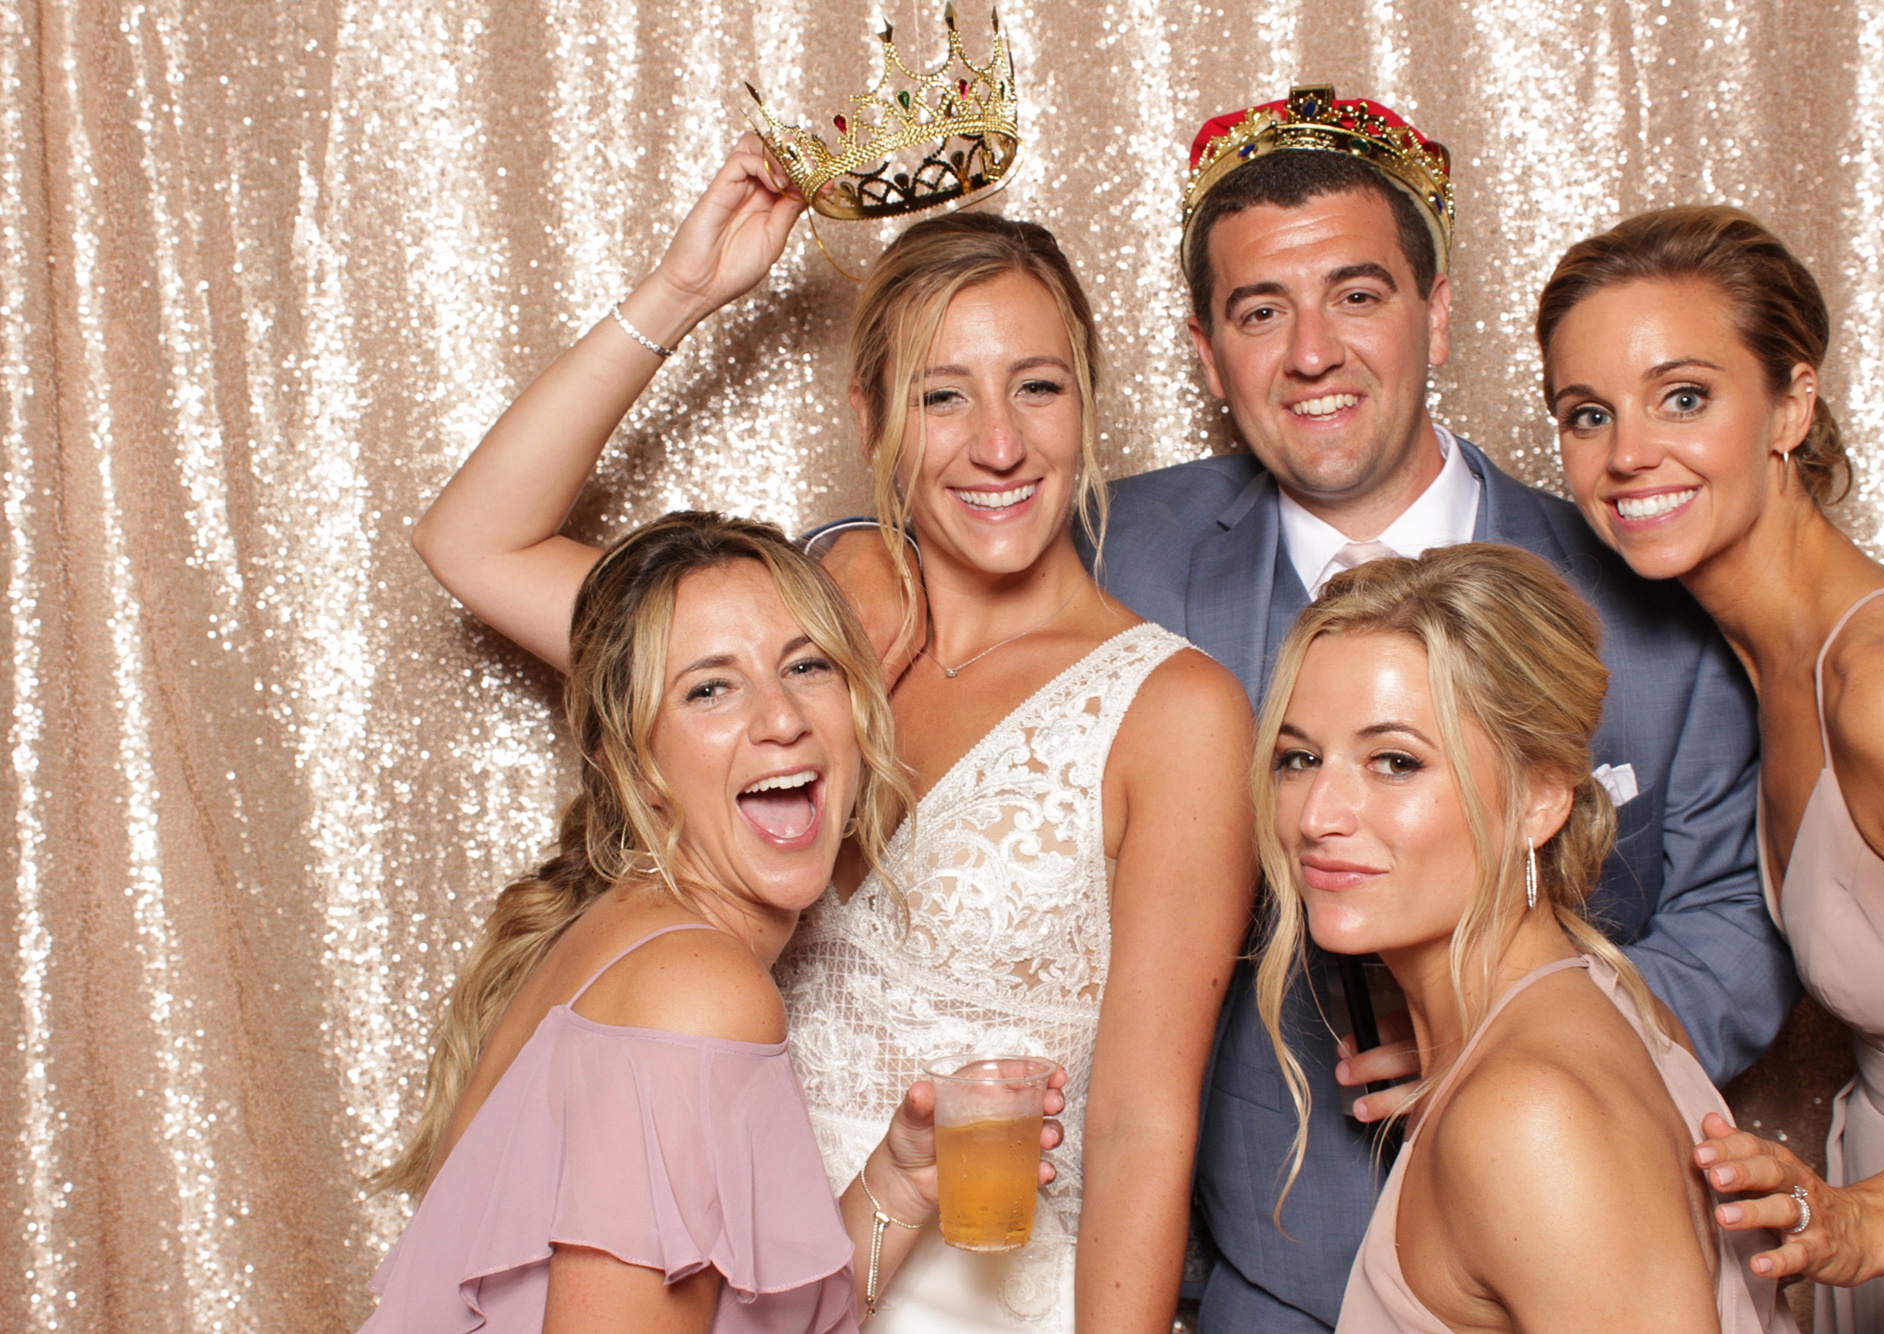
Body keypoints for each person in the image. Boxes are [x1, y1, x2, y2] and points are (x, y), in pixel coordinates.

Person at [819, 85, 1794, 1330]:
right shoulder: (1120, 550)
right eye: (1259, 310)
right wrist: (851, 546)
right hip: (1251, 1281)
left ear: (1437, 315)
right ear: (1205, 348)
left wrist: (1502, 1029)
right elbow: (949, 514)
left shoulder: (1637, 583)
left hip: (1564, 1237)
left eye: (1356, 295)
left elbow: (1739, 913)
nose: (1311, 352)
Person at [410, 133, 1258, 1334]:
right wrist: (682, 293)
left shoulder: (1170, 708)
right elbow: (473, 544)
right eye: (940, 392)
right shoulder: (795, 652)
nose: (999, 442)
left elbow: (1139, 1122)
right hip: (714, 1273)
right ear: (870, 413)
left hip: (977, 1295)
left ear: (1087, 399)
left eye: (1037, 383)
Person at [365, 512, 1070, 1332]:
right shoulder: (698, 992)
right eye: (711, 687)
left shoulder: (627, 930)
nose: (781, 719)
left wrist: (899, 1183)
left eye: (807, 666)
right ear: (635, 763)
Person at [1538, 204, 1884, 1333]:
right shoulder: (1758, 663)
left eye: (1681, 395)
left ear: (1791, 403)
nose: (1627, 451)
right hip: (1882, 1232)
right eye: (1584, 413)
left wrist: (1870, 1219)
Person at [1253, 542, 1797, 1333]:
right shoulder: (1597, 1007)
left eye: (1395, 762)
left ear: (1541, 796)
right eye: (1299, 758)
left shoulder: (1528, 1119)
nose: (1315, 816)